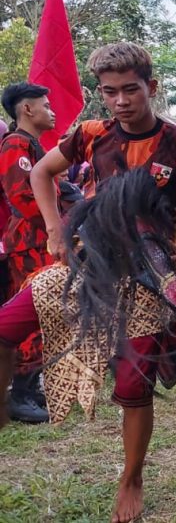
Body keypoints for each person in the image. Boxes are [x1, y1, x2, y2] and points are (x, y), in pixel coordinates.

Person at [1, 41, 176, 523]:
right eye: (110, 92)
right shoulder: (90, 133)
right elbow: (41, 173)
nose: (121, 101)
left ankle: (131, 478)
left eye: (130, 90)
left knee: (132, 385)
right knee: (5, 325)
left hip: (151, 274)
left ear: (151, 87)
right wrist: (57, 231)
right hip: (88, 261)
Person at [0, 81, 56, 423]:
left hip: (42, 238)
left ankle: (31, 385)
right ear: (27, 109)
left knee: (45, 312)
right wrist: (58, 221)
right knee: (31, 314)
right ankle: (20, 394)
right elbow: (23, 197)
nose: (53, 111)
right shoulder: (15, 144)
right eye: (46, 105)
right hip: (31, 241)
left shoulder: (32, 145)